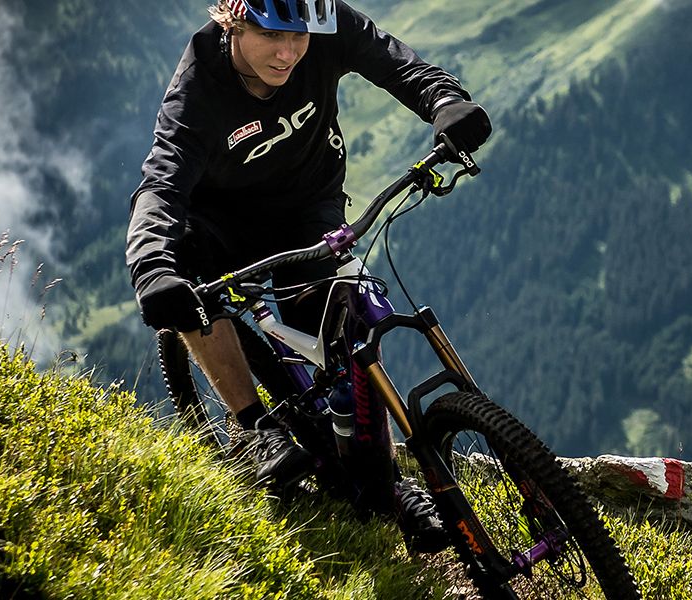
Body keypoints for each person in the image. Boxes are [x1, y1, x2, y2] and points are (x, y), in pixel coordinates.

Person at [125, 0, 490, 552]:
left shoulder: (326, 27)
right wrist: (153, 267)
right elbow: (162, 183)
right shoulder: (200, 84)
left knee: (345, 342)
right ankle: (254, 428)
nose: (290, 52)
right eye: (273, 36)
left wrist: (444, 101)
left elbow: (394, 63)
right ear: (233, 21)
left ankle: (385, 483)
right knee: (194, 278)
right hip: (221, 223)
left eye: (300, 37)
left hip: (308, 206)